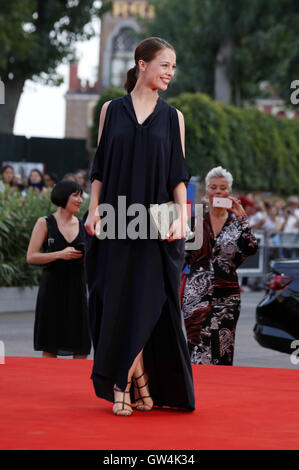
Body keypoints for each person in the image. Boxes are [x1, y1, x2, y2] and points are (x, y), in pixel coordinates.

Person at [84, 37, 195, 416]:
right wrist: (93, 209)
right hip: (116, 219)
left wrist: (182, 216)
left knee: (148, 304)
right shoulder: (110, 112)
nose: (170, 72)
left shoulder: (174, 117)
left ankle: (124, 383)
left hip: (157, 223)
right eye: (165, 64)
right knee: (117, 302)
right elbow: (99, 169)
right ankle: (135, 380)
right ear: (142, 64)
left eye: (174, 67)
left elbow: (178, 175)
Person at [181, 166, 258, 366]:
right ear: (206, 192)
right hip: (196, 297)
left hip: (227, 297)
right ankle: (194, 394)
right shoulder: (194, 222)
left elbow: (251, 248)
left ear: (229, 193)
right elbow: (179, 258)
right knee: (196, 350)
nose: (217, 191)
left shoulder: (235, 223)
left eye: (222, 188)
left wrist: (243, 219)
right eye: (213, 187)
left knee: (221, 351)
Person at [27, 180, 91, 359]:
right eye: (75, 195)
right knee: (50, 344)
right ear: (63, 197)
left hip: (77, 289)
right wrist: (59, 254)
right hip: (52, 290)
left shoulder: (83, 224)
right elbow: (31, 256)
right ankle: (47, 385)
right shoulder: (45, 223)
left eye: (81, 196)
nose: (80, 200)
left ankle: (76, 386)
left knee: (81, 346)